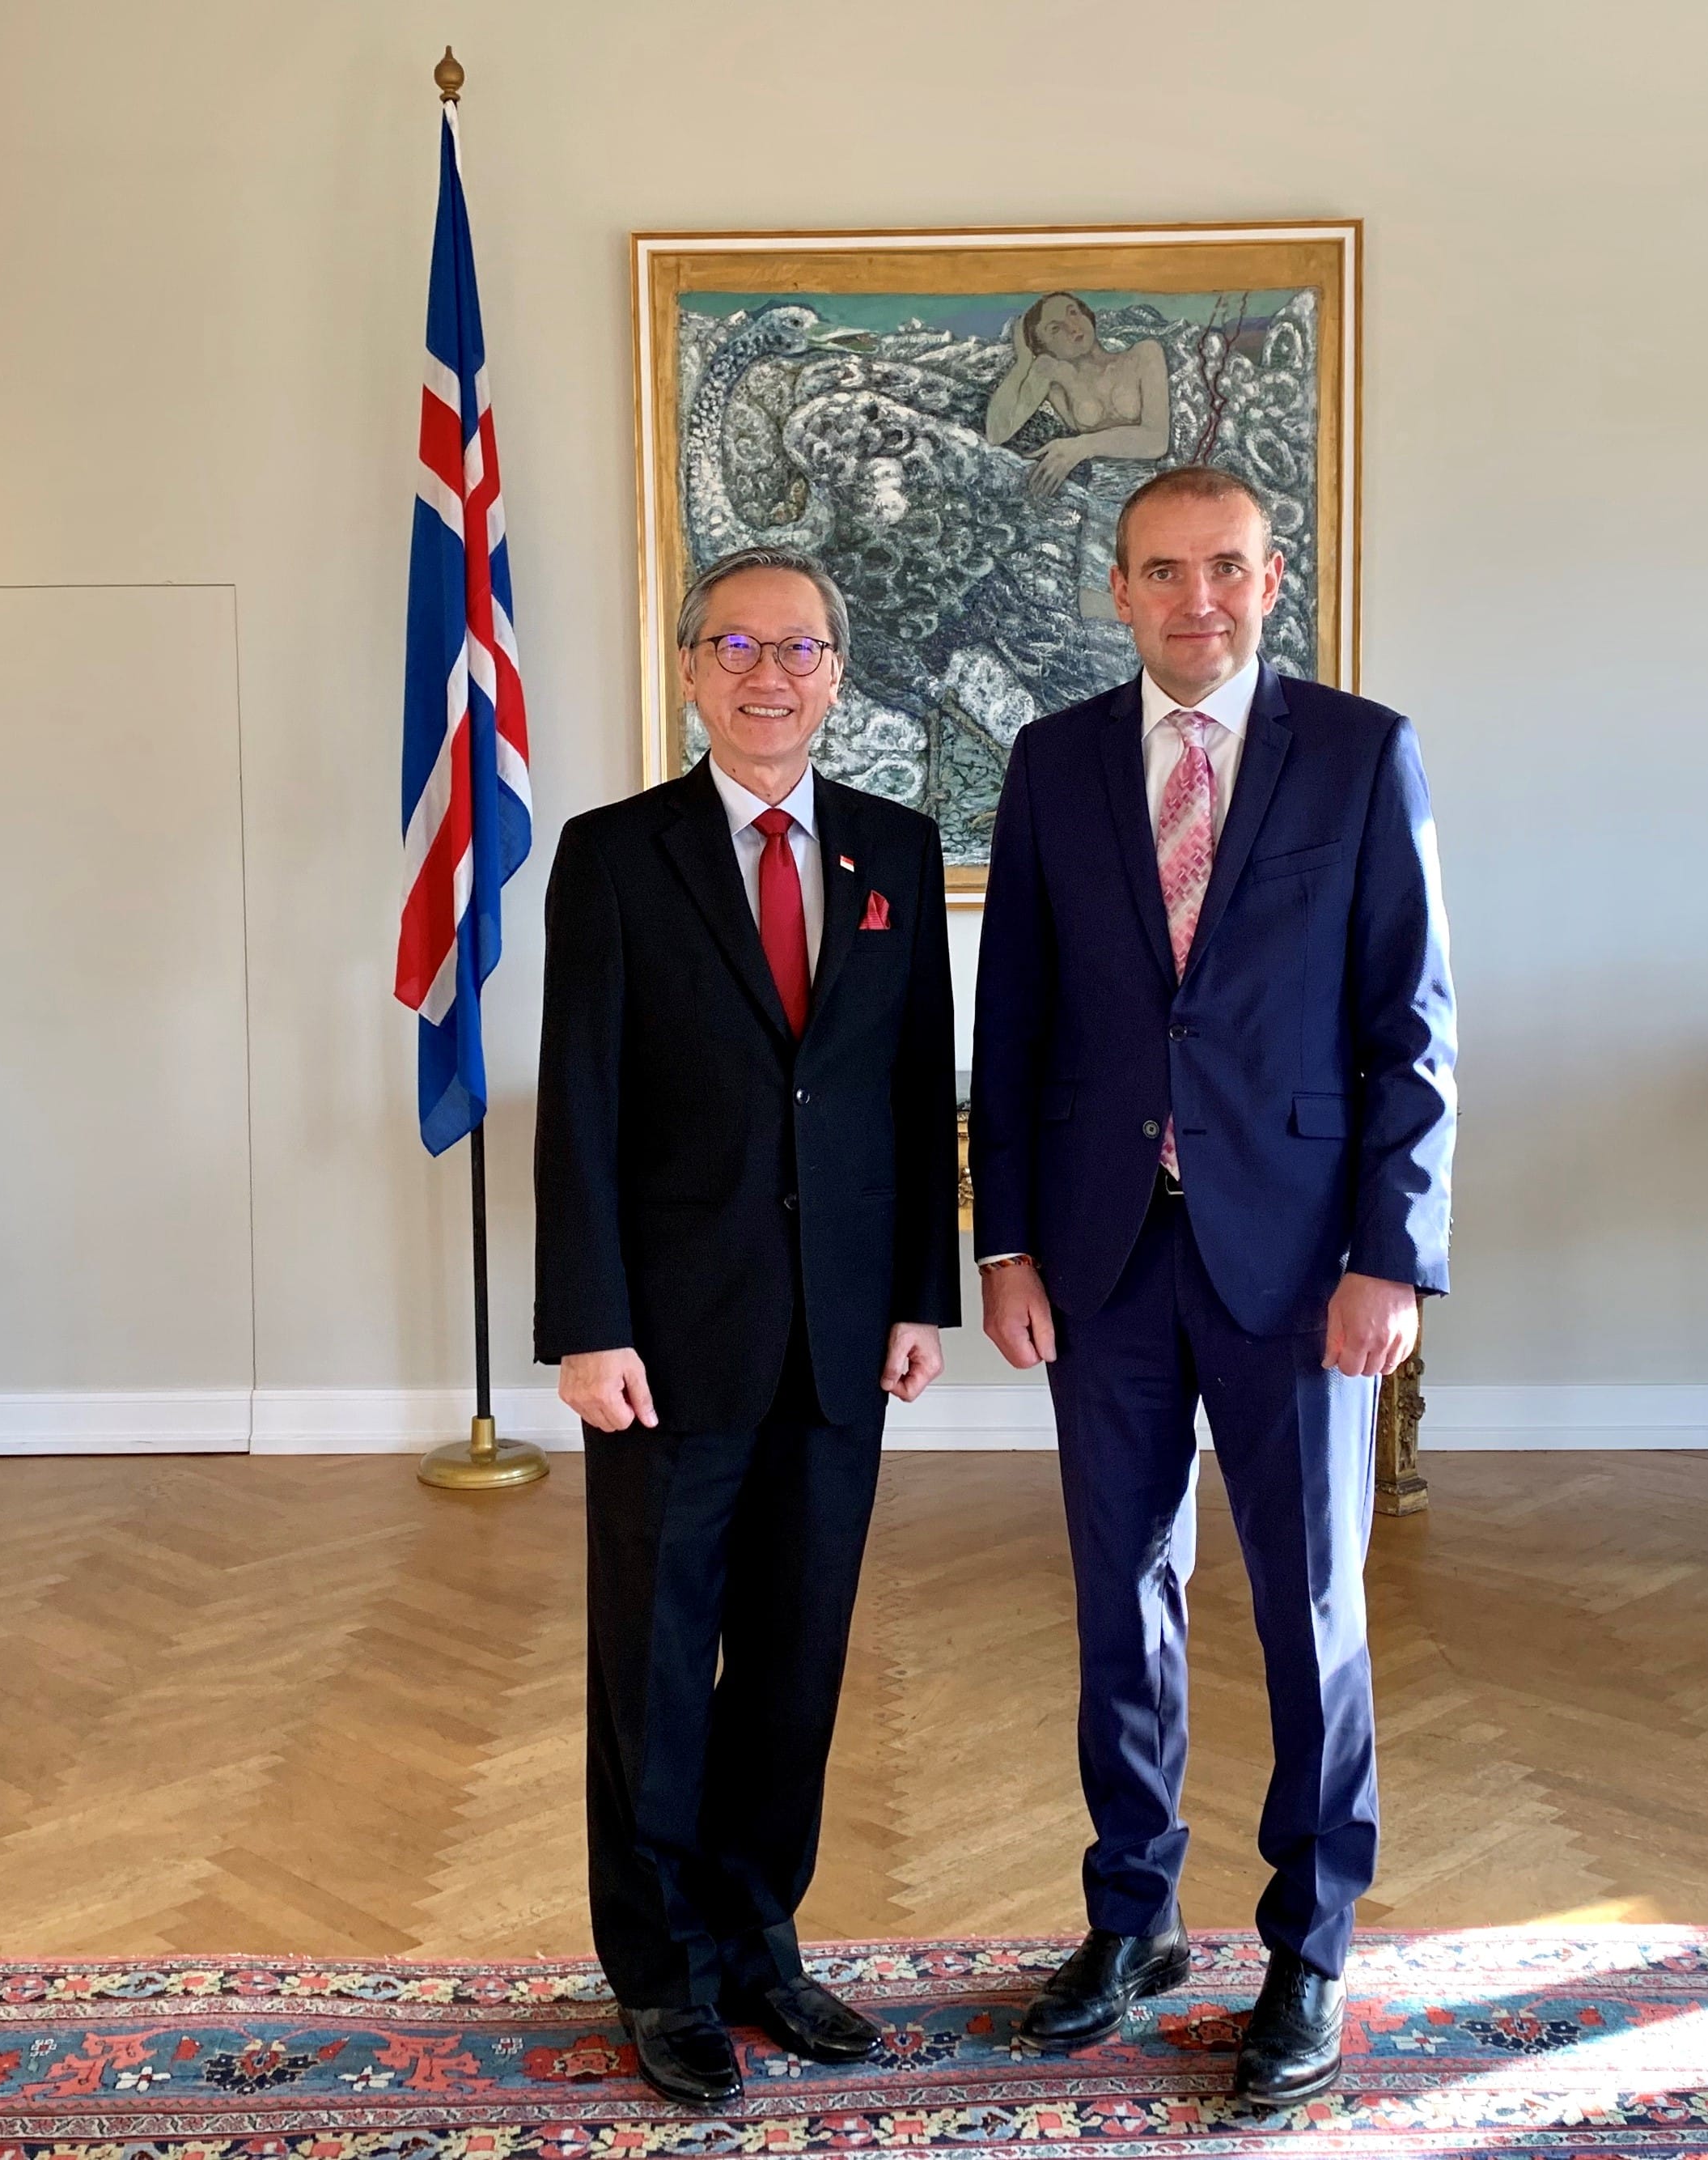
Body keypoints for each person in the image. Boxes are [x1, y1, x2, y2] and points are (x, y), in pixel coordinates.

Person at [969, 466, 1456, 2105]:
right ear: (1116, 589)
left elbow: (1414, 1026)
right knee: (1122, 1596)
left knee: (1312, 1607)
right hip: (1104, 1256)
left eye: (1228, 568)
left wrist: (1392, 1252)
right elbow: (1014, 1023)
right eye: (1164, 571)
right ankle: (1133, 1914)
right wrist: (1006, 1239)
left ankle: (1309, 1943)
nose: (1199, 599)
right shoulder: (1051, 763)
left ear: (1272, 578)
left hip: (1303, 1260)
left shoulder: (1360, 750)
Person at [534, 544, 960, 2108]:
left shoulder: (894, 854)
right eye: (737, 645)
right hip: (665, 1333)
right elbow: (575, 1105)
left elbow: (921, 1092)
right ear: (691, 669)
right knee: (654, 1658)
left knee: (795, 1652)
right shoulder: (614, 852)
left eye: (799, 649)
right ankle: (663, 1972)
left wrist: (922, 1287)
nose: (768, 673)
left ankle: (760, 1933)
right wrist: (588, 1322)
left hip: (842, 1331)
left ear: (835, 674)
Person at [985, 291, 1173, 501]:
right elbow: (996, 433)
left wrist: (1082, 446)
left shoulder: (1143, 354)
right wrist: (1023, 363)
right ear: (1044, 347)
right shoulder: (1055, 379)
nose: (1072, 327)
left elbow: (1157, 440)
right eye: (1055, 329)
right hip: (1094, 499)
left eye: (1073, 313)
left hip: (1152, 494)